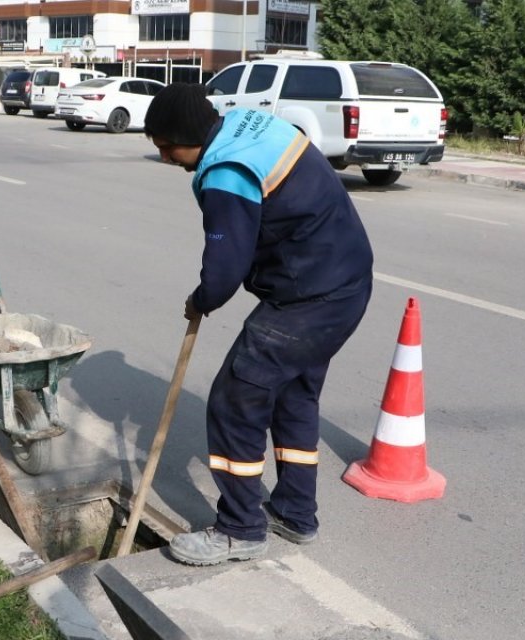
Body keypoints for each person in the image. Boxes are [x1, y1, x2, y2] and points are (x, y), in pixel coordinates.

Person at [143, 83, 374, 566]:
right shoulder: (249, 125)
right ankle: (294, 513)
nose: (165, 157)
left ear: (186, 136)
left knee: (235, 398)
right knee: (293, 395)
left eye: (166, 146)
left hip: (308, 298)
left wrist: (202, 299)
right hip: (344, 282)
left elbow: (225, 266)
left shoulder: (226, 171)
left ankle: (240, 530)